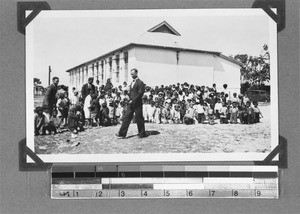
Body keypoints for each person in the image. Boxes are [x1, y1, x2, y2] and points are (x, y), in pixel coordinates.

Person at [116, 68, 146, 138]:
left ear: (136, 73)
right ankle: (122, 133)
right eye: (131, 74)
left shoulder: (140, 83)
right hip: (131, 103)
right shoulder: (132, 82)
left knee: (139, 118)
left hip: (137, 103)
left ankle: (142, 133)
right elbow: (131, 92)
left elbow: (140, 94)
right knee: (126, 117)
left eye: (133, 74)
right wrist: (129, 98)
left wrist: (133, 100)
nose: (131, 75)